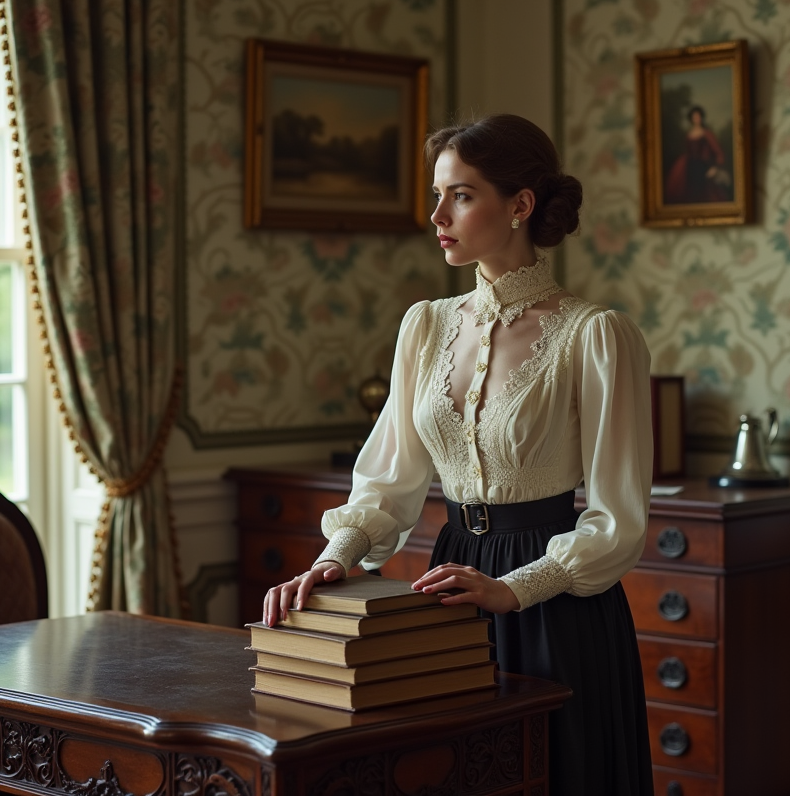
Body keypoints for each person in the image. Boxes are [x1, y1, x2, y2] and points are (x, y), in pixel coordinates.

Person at [263, 113, 655, 796]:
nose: (438, 213)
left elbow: (617, 517)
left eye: (462, 195)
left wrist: (517, 589)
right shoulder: (426, 325)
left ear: (520, 206)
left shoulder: (595, 336)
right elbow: (389, 480)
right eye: (438, 193)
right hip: (449, 593)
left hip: (555, 603)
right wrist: (336, 558)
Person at [664, 104, 730, 204]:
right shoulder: (688, 134)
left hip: (703, 166)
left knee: (705, 194)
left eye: (698, 116)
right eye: (694, 117)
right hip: (689, 167)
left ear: (701, 118)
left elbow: (718, 152)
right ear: (691, 119)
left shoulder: (707, 133)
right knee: (687, 193)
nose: (697, 119)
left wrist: (715, 168)